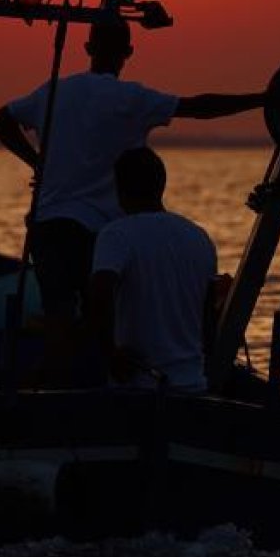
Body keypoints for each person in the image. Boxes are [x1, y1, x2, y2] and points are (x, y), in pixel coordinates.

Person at [0, 18, 264, 377]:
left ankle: (47, 395)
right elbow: (198, 107)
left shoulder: (53, 91)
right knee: (104, 323)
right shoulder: (135, 99)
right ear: (128, 53)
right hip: (103, 232)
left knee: (58, 318)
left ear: (88, 48)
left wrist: (36, 162)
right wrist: (262, 99)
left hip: (51, 224)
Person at [86, 146, 216, 391]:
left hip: (139, 388)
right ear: (161, 184)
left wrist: (110, 354)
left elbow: (99, 294)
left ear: (119, 188)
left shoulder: (116, 234)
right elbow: (208, 316)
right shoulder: (199, 237)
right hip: (194, 385)